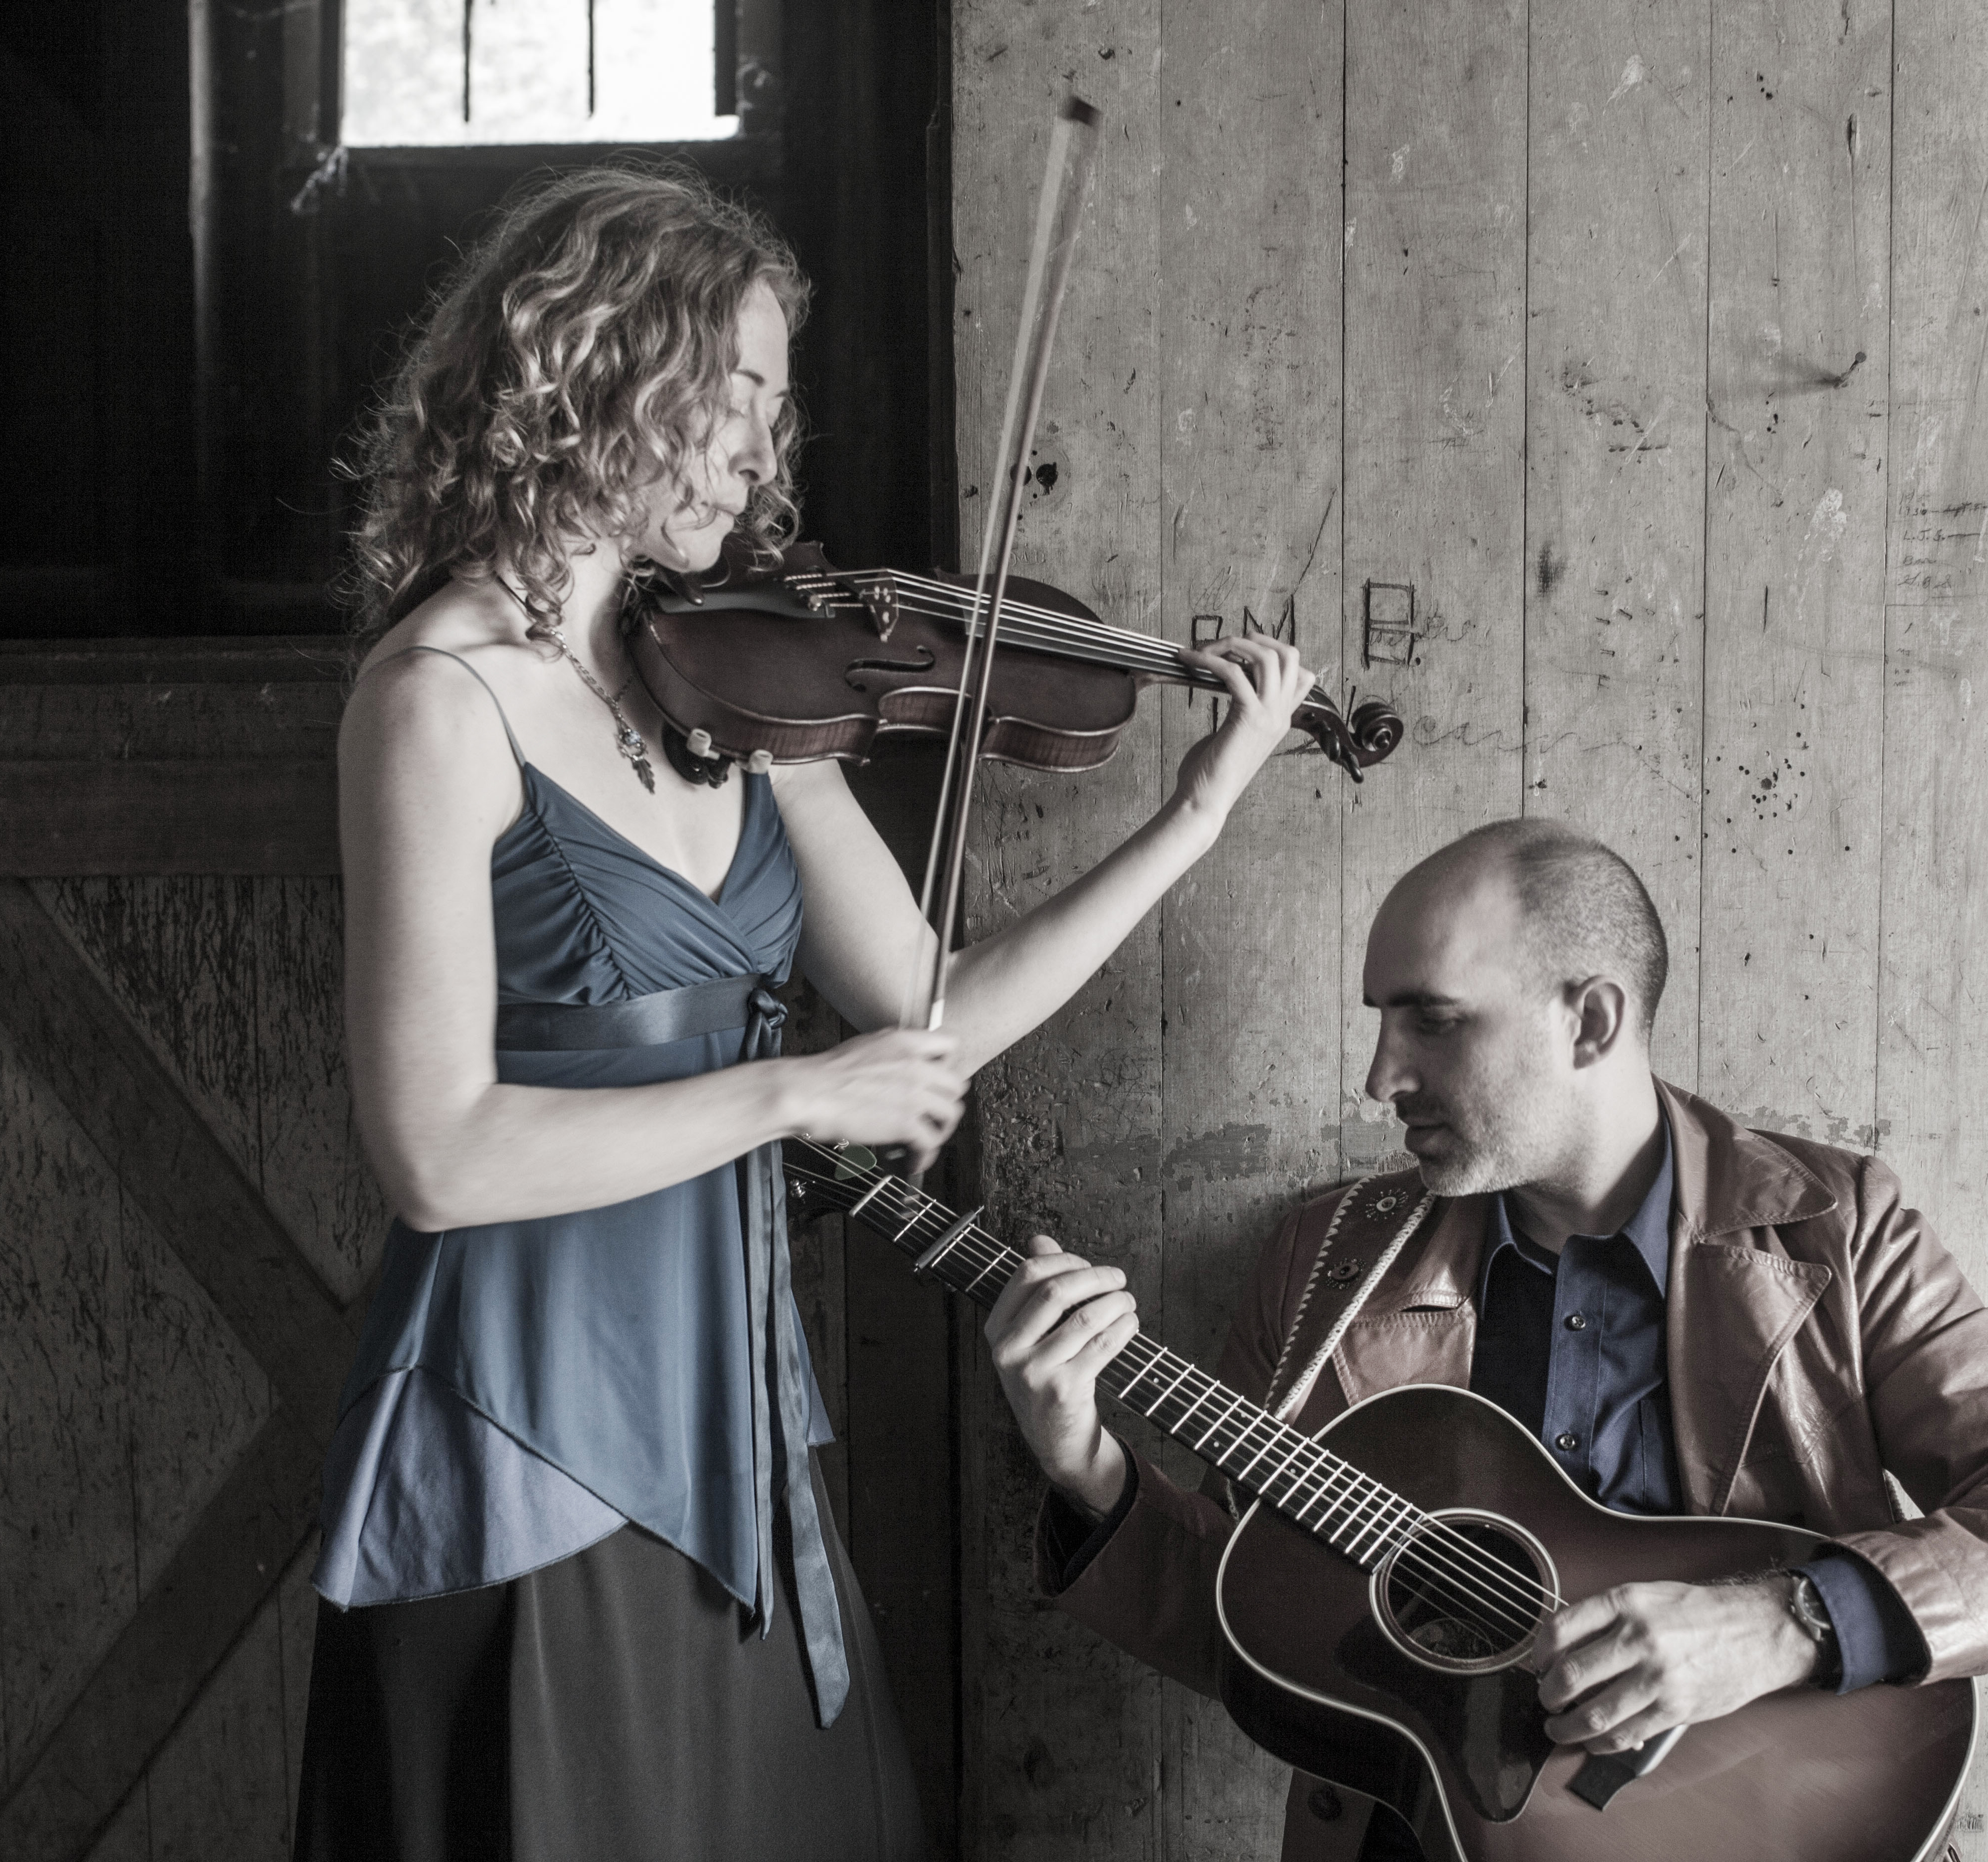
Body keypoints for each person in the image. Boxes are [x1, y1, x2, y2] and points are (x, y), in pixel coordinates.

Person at [291, 165, 1315, 1862]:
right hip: (520, 1397)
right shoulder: (433, 700)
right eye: (735, 401)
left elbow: (939, 1008)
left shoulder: (724, 676)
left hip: (733, 1387)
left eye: (772, 414)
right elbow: (439, 1157)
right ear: (604, 367)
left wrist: (1194, 812)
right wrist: (790, 1098)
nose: (760, 457)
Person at [985, 818, 1988, 1862]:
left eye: (1434, 1024)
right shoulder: (1325, 1264)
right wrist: (1087, 1468)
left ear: (1591, 1020)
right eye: (1381, 1025)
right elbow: (1246, 1631)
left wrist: (1783, 1623)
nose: (1380, 1076)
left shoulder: (1835, 1231)